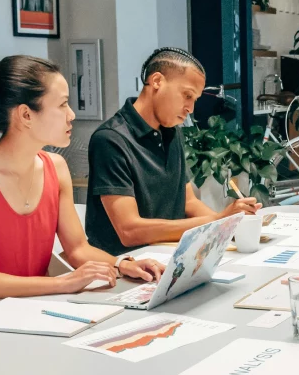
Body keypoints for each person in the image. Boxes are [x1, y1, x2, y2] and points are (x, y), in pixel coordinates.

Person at [0, 56, 165, 312]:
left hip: (30, 311)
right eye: (62, 105)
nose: (72, 115)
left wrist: (122, 265)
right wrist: (62, 283)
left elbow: (77, 248)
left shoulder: (55, 167)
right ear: (26, 115)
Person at [86, 47, 260, 257]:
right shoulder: (110, 139)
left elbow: (189, 202)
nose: (191, 108)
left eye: (194, 99)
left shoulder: (171, 133)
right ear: (157, 81)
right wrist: (218, 220)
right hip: (124, 265)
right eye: (187, 95)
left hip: (169, 256)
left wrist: (227, 227)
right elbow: (129, 230)